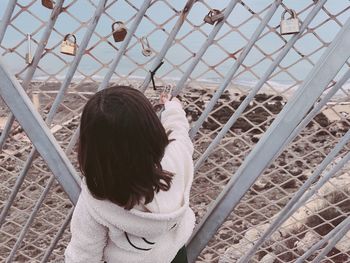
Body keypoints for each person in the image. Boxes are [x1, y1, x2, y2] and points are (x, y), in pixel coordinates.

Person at [65, 86, 195, 263]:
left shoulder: (98, 197)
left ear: (92, 147)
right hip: (174, 255)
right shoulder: (177, 158)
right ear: (153, 129)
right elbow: (179, 131)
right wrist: (173, 108)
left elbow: (84, 253)